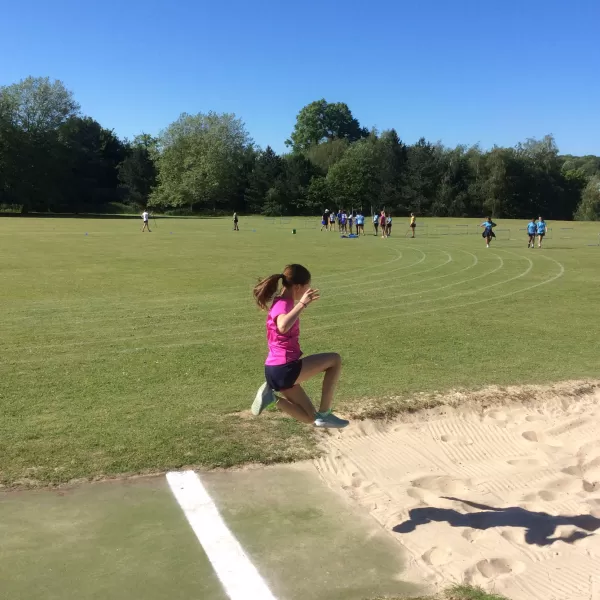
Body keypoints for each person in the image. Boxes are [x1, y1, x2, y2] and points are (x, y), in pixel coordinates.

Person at [251, 264, 349, 429]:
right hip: (285, 369)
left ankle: (271, 398)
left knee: (310, 417)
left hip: (275, 371)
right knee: (335, 360)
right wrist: (302, 304)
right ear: (297, 287)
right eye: (306, 288)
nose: (306, 292)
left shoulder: (281, 301)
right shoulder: (284, 304)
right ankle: (325, 413)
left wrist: (299, 305)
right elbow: (282, 326)